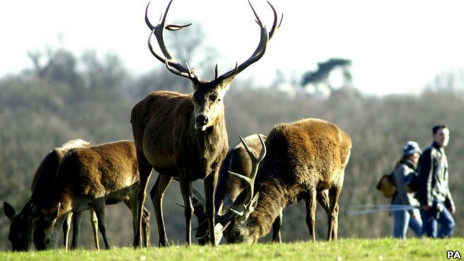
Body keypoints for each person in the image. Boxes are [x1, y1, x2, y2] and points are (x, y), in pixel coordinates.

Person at [418, 124, 455, 238]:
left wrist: (449, 202)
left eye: (446, 135)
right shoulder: (430, 153)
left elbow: (443, 182)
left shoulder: (441, 154)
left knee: (430, 233)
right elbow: (425, 178)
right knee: (449, 224)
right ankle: (441, 250)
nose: (444, 137)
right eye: (441, 134)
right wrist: (427, 200)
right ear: (434, 136)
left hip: (439, 198)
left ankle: (430, 252)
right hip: (432, 199)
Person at [391, 141, 423, 238]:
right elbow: (403, 192)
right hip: (402, 208)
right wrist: (410, 210)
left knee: (423, 232)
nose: (417, 156)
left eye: (417, 154)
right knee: (399, 237)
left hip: (410, 208)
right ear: (409, 155)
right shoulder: (402, 169)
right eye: (414, 154)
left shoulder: (411, 168)